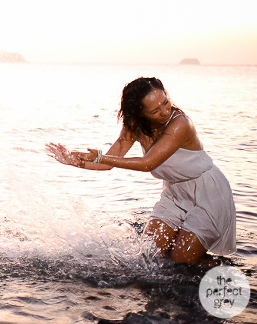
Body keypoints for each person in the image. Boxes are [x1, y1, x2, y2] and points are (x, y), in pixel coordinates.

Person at [46, 77, 236, 265]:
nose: (164, 111)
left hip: (209, 194)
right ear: (140, 114)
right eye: (155, 110)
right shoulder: (135, 126)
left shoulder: (180, 124)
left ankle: (228, 272)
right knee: (150, 254)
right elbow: (108, 163)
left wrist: (100, 156)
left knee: (181, 260)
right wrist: (73, 161)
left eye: (165, 102)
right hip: (176, 194)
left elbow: (147, 163)